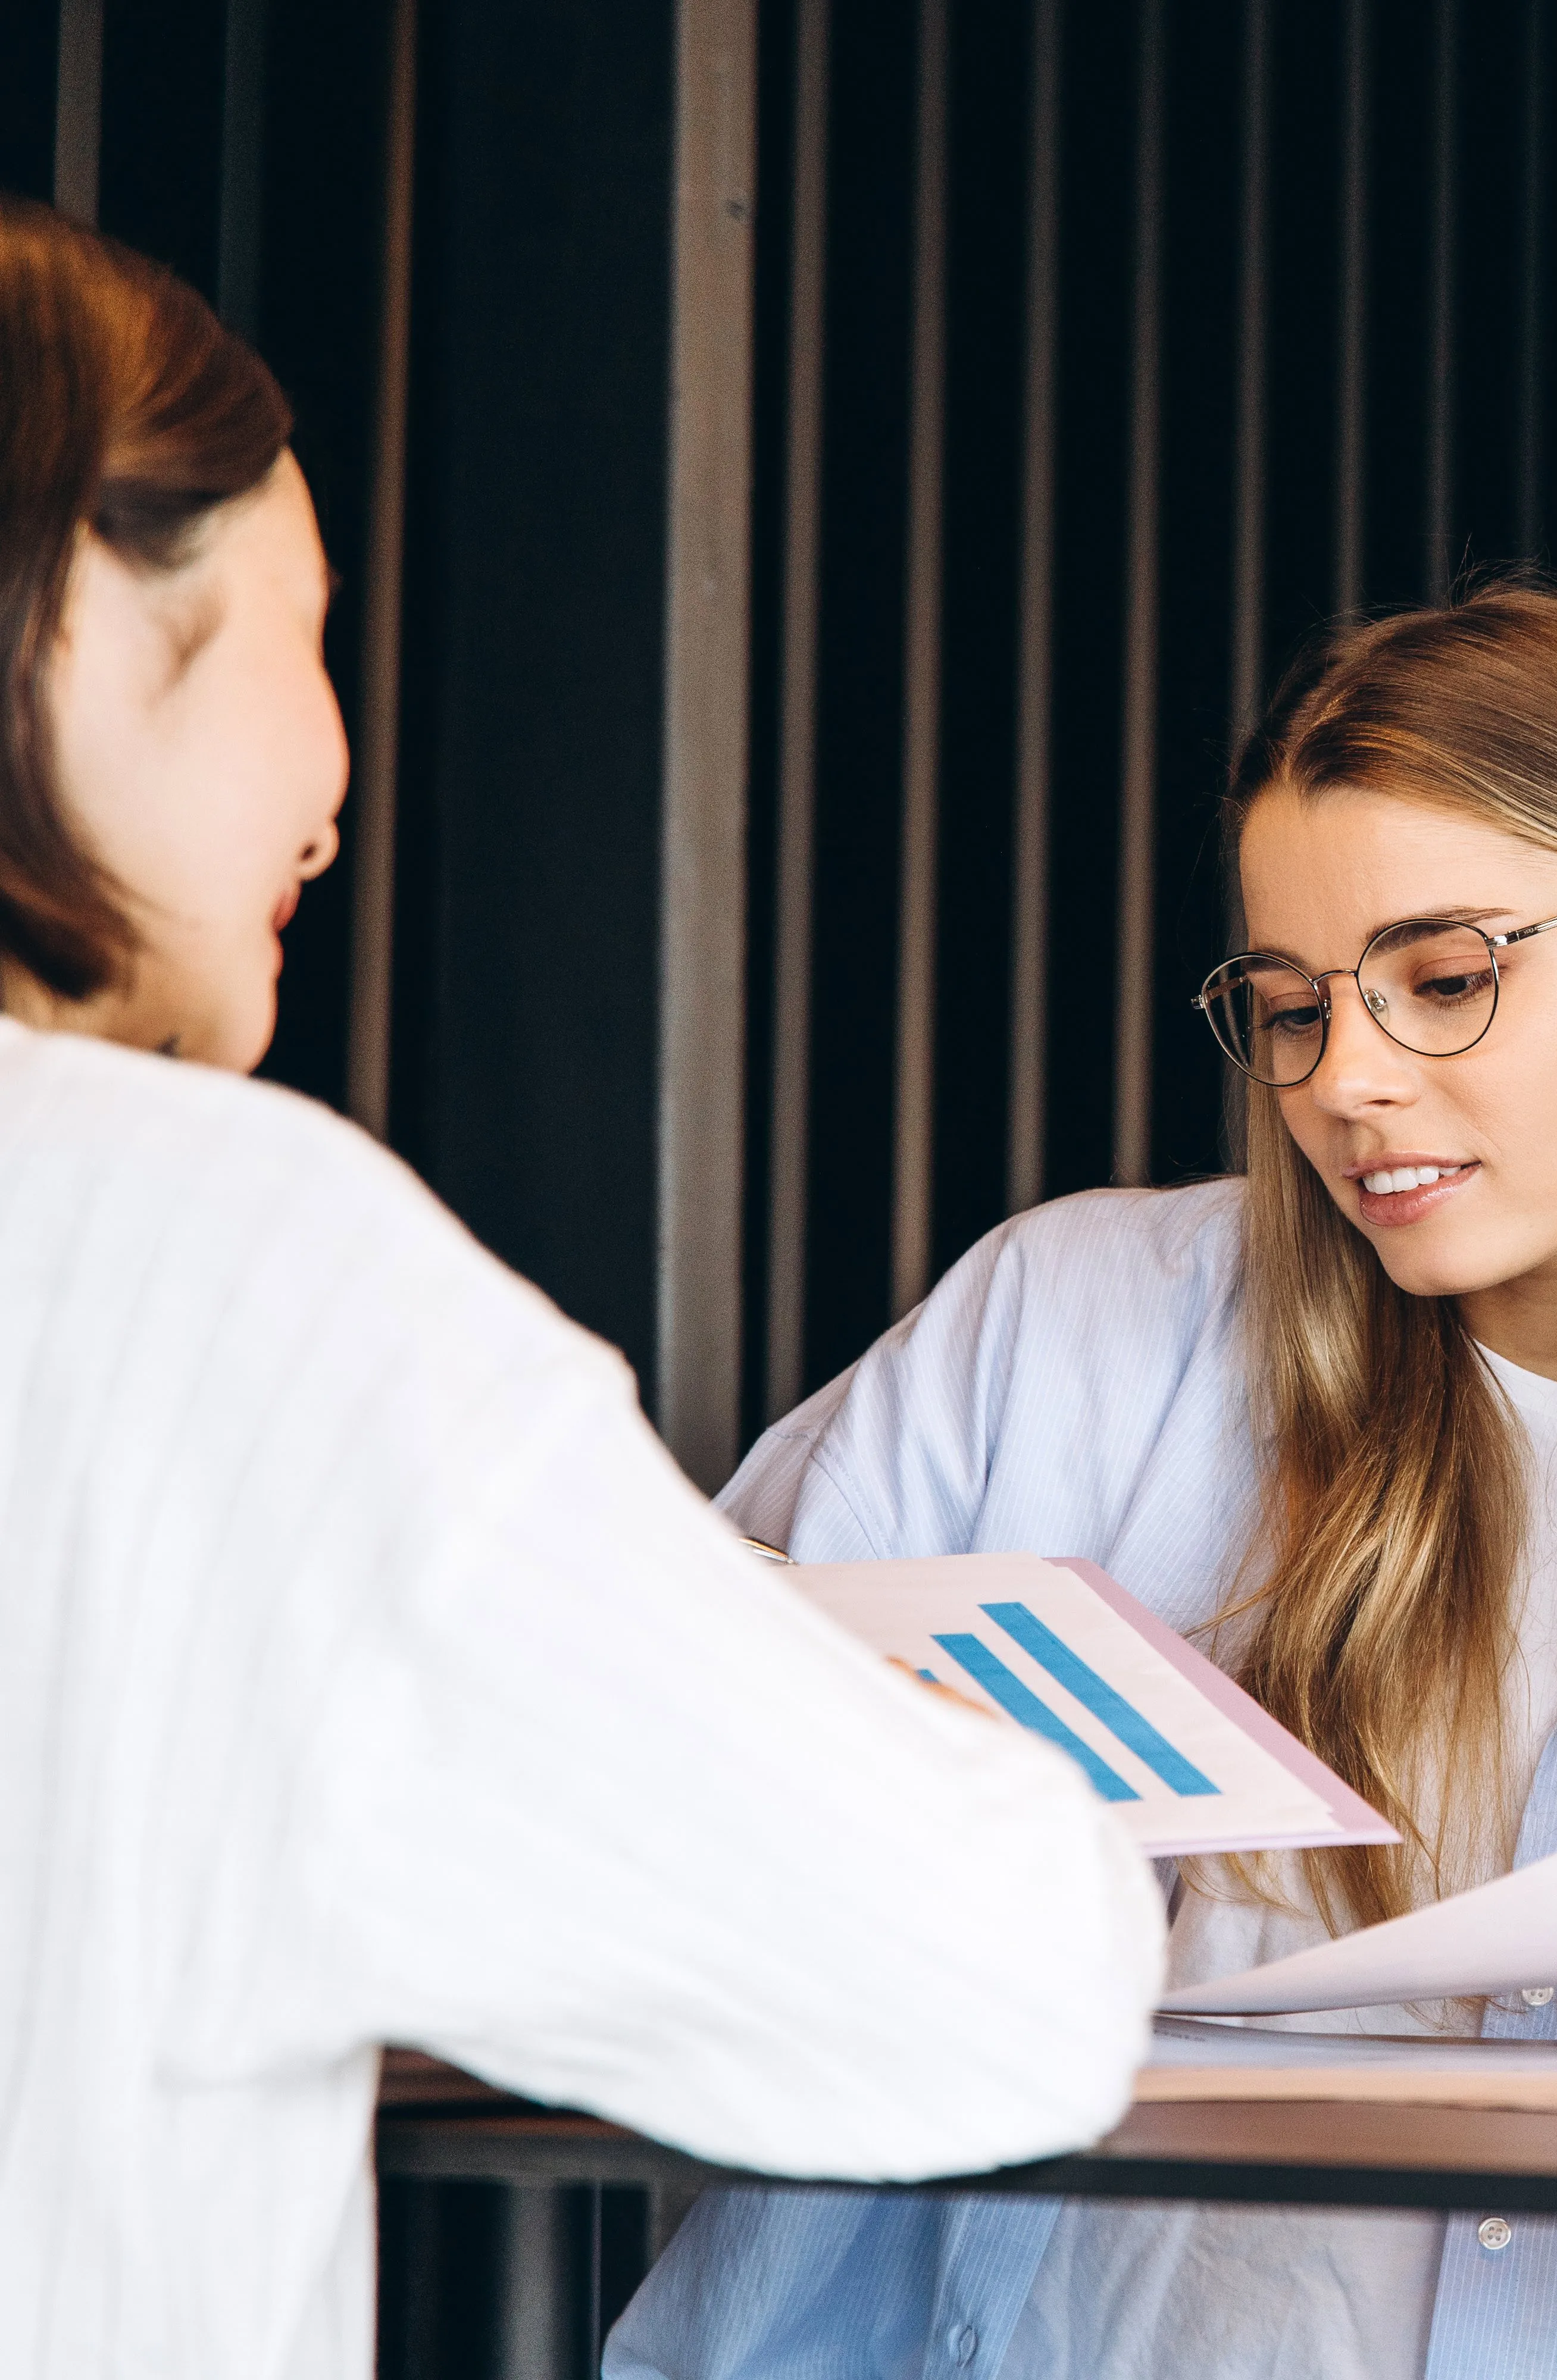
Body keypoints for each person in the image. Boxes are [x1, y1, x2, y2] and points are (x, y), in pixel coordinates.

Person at [604, 580, 1557, 2380]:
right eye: (1296, 1008)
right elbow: (642, 1787)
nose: (1350, 1082)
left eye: (1446, 980)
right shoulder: (1061, 1334)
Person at [0, 202, 1168, 2379]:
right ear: (68, 612)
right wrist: (941, 1759)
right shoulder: (232, 1273)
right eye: (302, 639)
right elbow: (985, 1984)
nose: (336, 794)